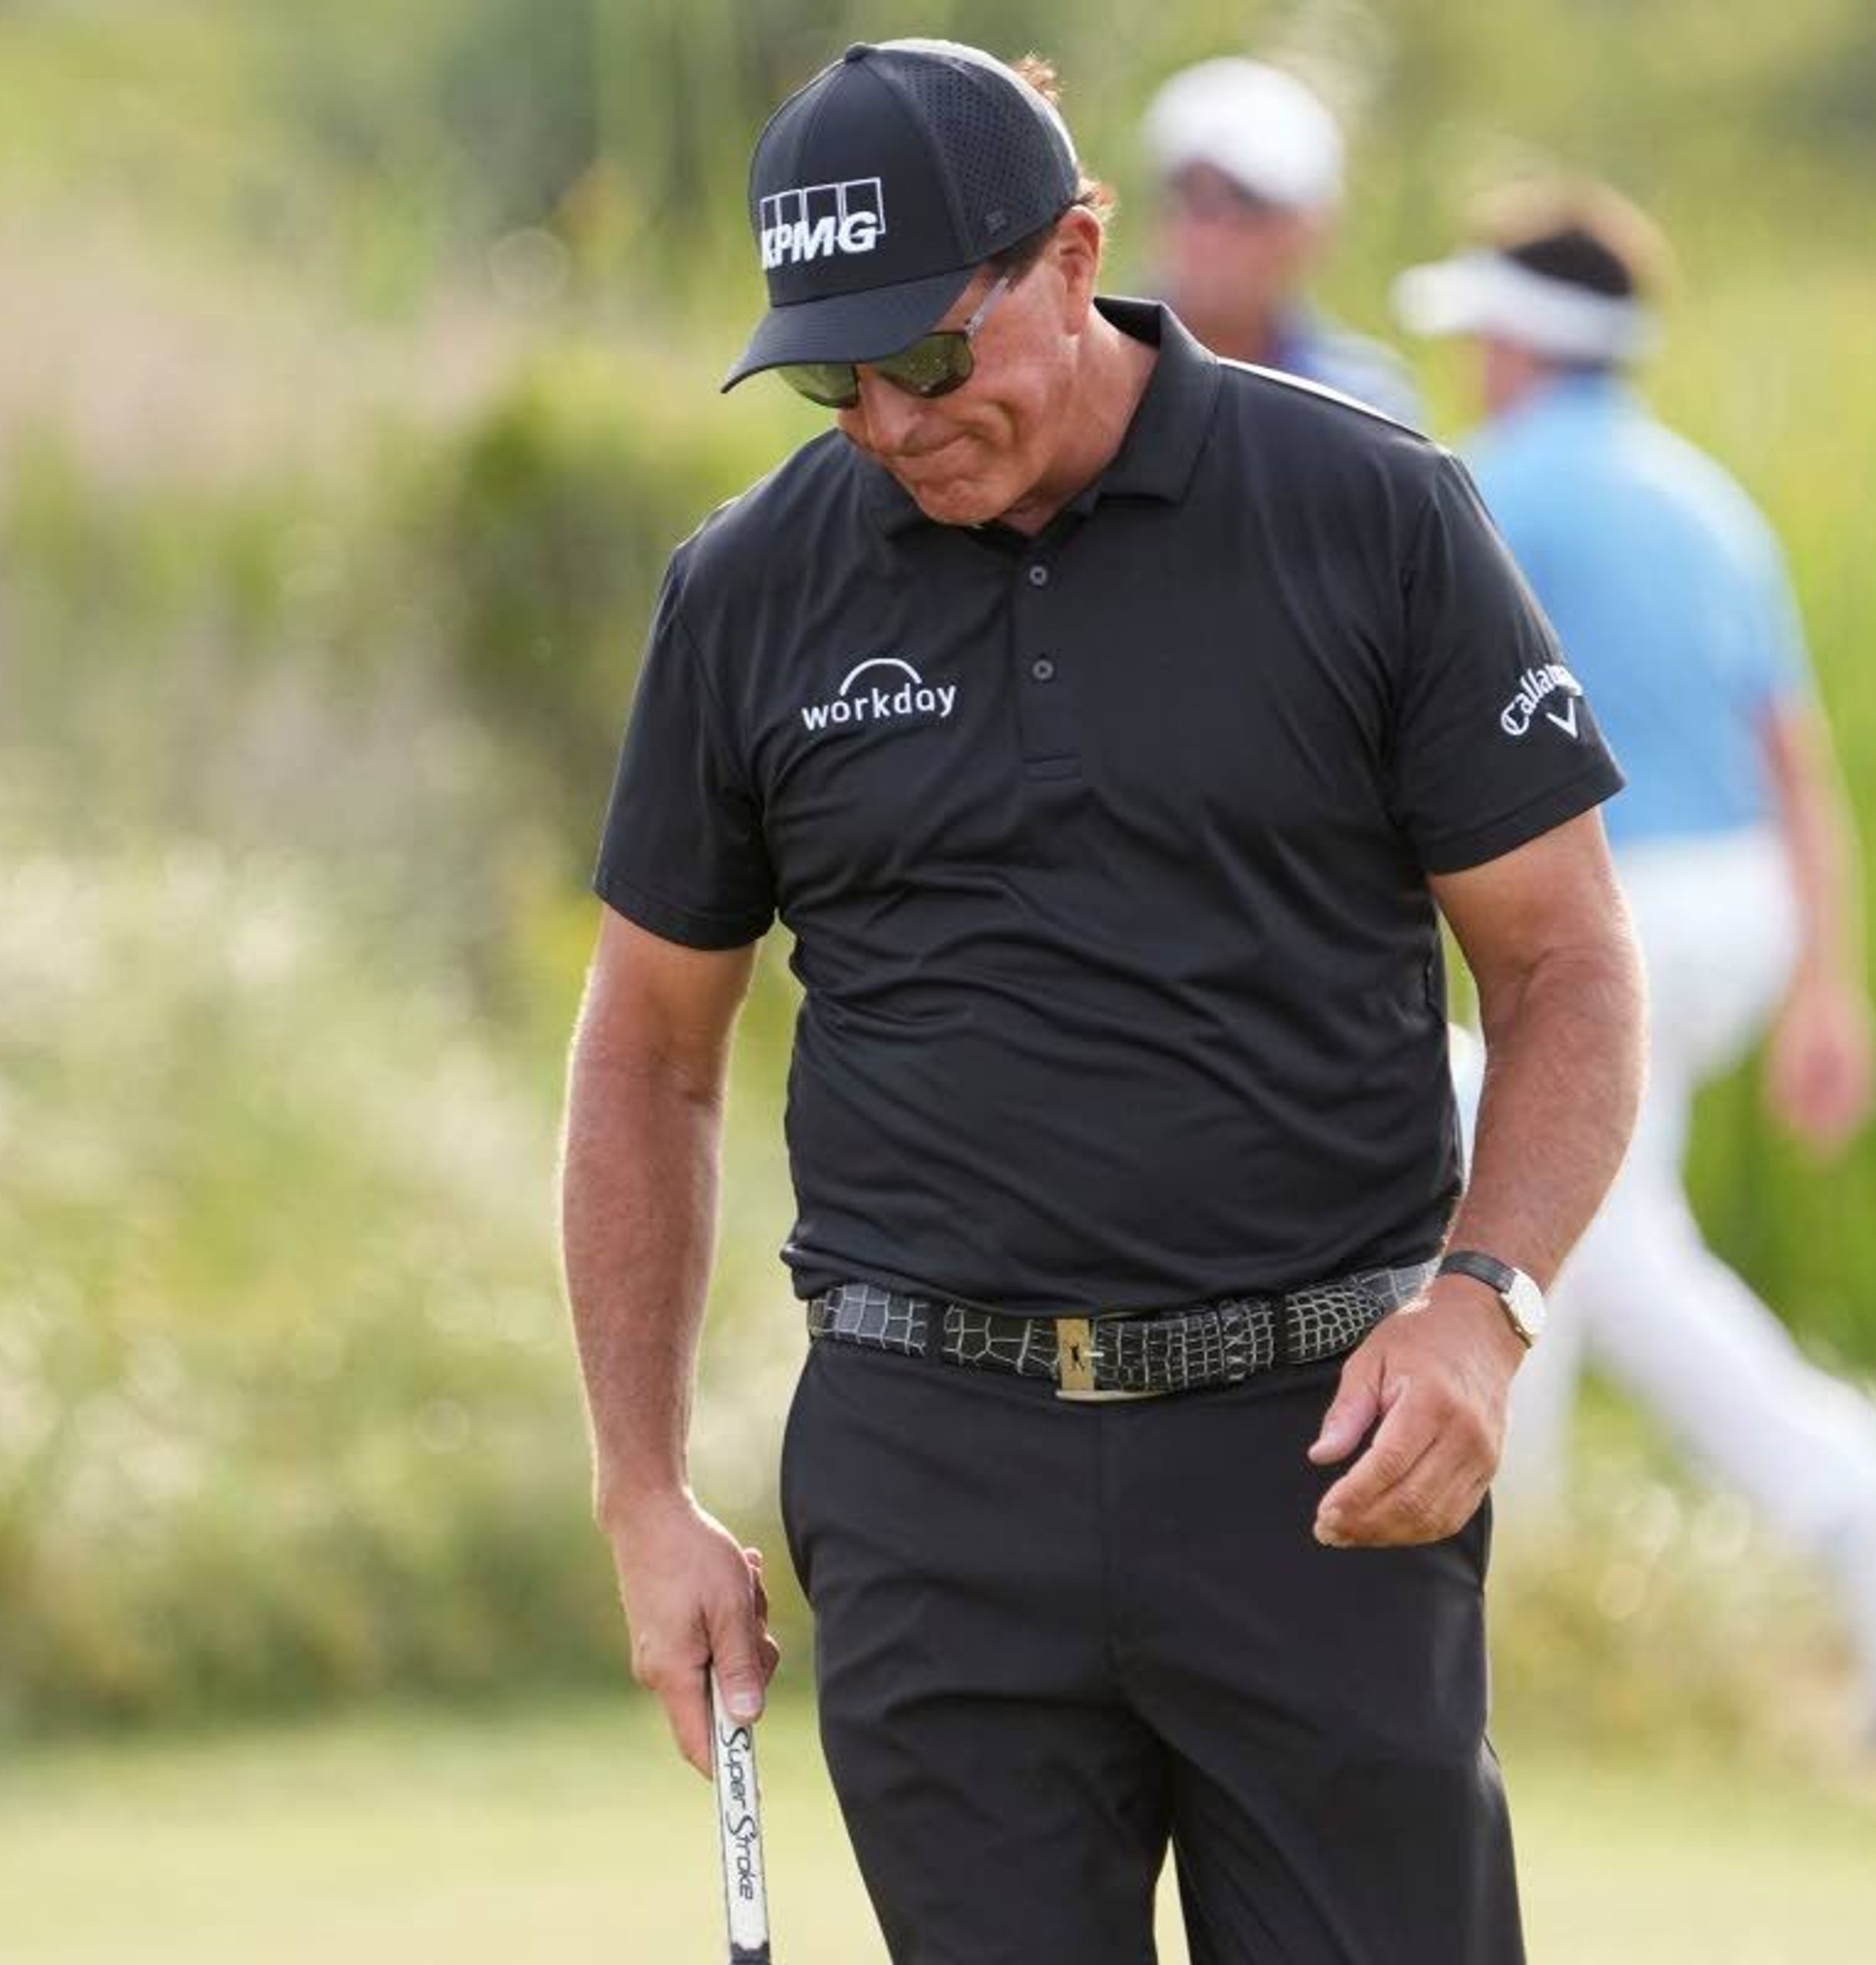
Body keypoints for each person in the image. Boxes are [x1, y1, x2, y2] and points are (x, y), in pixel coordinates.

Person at [562, 39, 1645, 1963]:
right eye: (832, 376)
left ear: (1072, 251)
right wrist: (640, 1488)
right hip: (924, 1475)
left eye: (927, 357)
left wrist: (1478, 1312)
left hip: (1312, 1466)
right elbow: (648, 1052)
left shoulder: (1368, 514)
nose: (888, 423)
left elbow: (1562, 964)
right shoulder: (746, 592)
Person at [1395, 182, 1876, 1748]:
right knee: (1587, 1228)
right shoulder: (1715, 501)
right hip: (1744, 908)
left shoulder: (1481, 485)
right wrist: (1829, 983)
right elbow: (1800, 760)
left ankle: (1855, 1505)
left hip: (1616, 925)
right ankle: (1557, 1572)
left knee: (1537, 1200)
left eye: (1483, 335)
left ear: (1522, 341)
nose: (1471, 363)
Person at [1136, 55, 1422, 424]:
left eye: (1242, 204)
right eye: (1187, 195)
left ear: (1307, 233)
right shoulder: (1088, 367)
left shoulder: (1366, 403)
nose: (1205, 232)